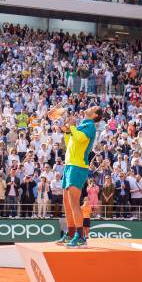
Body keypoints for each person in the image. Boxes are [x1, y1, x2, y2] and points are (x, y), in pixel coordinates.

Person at [55, 106, 102, 249]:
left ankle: (81, 237)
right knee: (67, 203)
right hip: (69, 165)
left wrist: (72, 126)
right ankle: (70, 233)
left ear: (95, 115)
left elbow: (81, 138)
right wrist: (68, 131)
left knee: (74, 203)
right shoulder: (82, 125)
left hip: (78, 166)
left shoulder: (90, 126)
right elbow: (71, 142)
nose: (89, 106)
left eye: (93, 107)